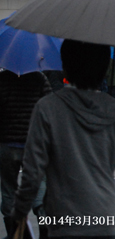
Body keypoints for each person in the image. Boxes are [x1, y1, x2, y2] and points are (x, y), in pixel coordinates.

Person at [11, 40, 115, 238]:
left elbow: (33, 171)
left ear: (64, 68)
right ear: (103, 69)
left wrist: (19, 210)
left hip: (62, 218)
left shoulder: (48, 107)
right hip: (104, 215)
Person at [0, 70, 51, 239]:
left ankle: (15, 232)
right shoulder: (39, 78)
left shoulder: (3, 79)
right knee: (39, 186)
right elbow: (49, 107)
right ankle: (44, 222)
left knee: (9, 190)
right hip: (34, 144)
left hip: (7, 143)